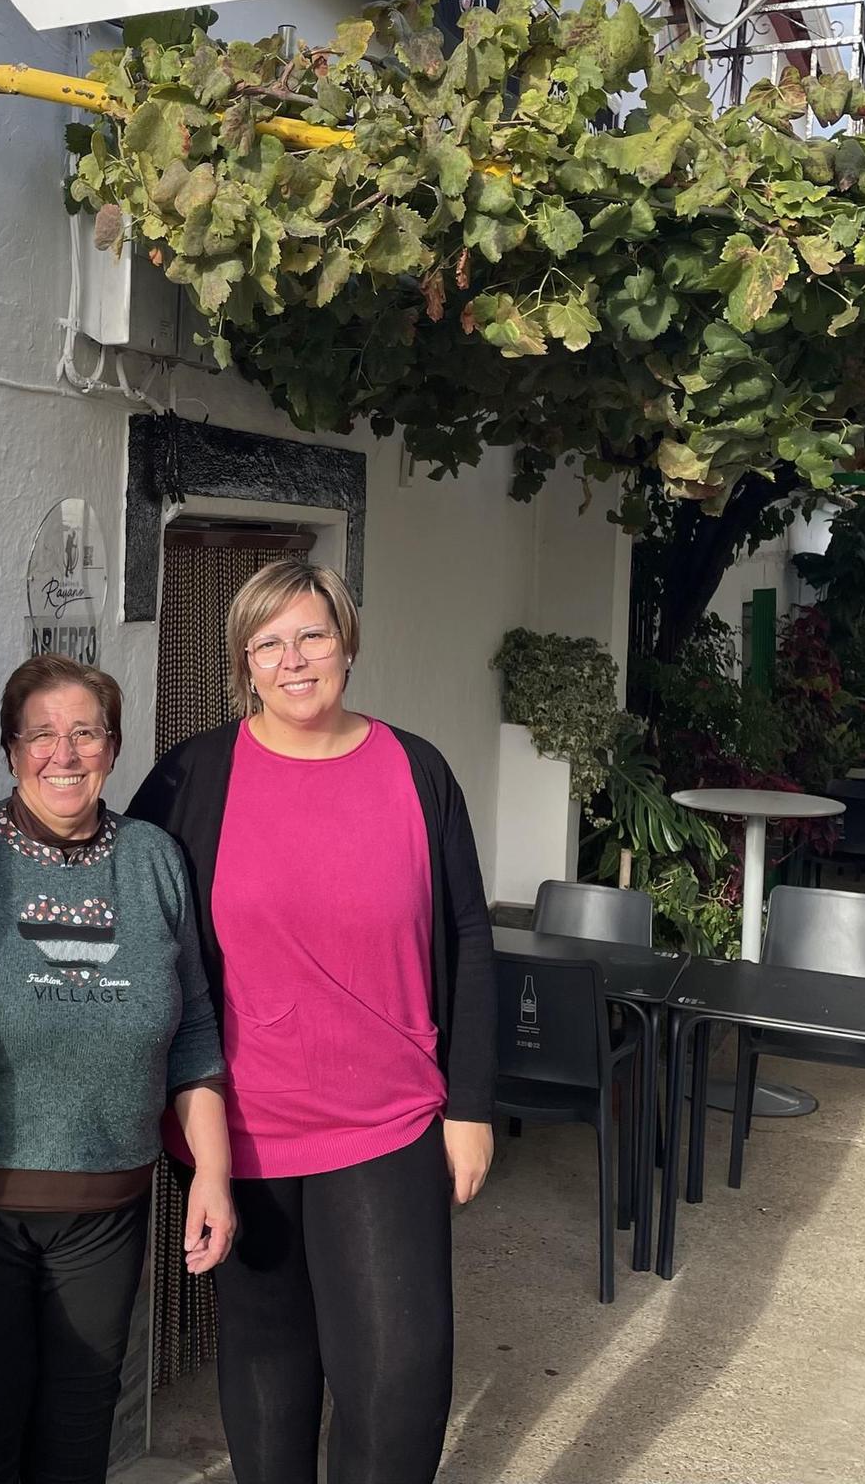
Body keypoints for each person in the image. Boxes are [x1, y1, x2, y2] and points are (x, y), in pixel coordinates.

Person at [128, 560, 496, 1484]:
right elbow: (133, 913)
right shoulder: (191, 776)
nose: (295, 660)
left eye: (313, 636)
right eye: (269, 642)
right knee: (267, 1365)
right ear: (244, 662)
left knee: (399, 1383)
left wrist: (474, 1103)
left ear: (347, 642)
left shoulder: (416, 770)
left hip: (391, 1119)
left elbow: (471, 936)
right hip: (242, 1128)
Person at [0, 653, 234, 1484]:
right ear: (11, 749)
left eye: (86, 732)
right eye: (43, 734)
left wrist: (213, 1172)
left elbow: (195, 1029)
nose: (65, 753)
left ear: (115, 746)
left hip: (106, 1209)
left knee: (77, 1431)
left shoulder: (156, 860)